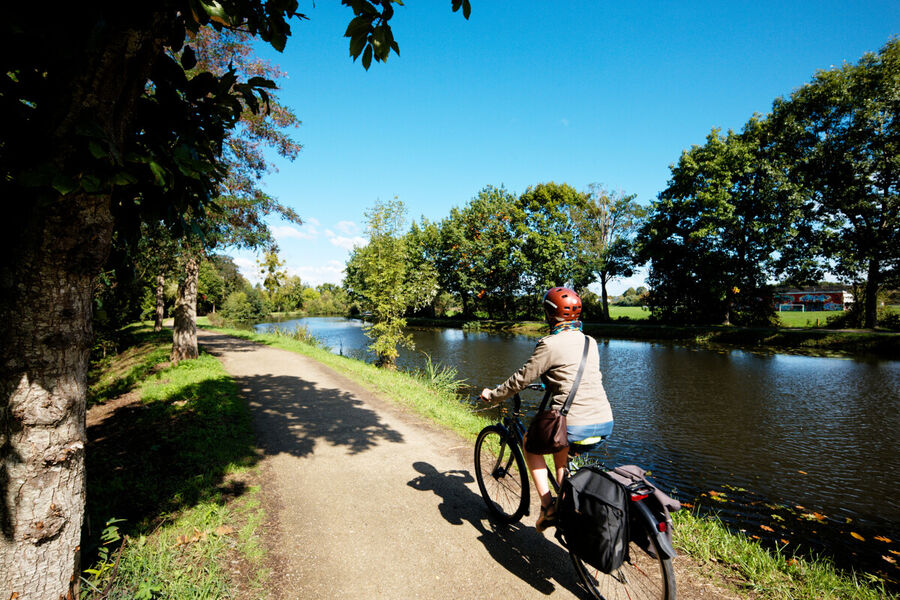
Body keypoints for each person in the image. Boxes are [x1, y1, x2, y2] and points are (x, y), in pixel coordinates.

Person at [480, 287, 613, 532]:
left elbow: (520, 379)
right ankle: (566, 503)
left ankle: (548, 506)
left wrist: (494, 395)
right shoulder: (589, 341)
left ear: (549, 315)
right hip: (604, 421)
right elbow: (576, 375)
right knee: (561, 447)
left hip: (573, 422)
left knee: (530, 444)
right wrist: (550, 382)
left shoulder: (549, 344)